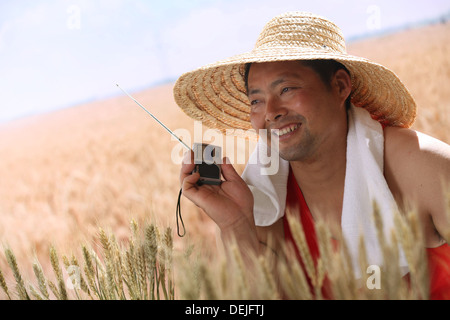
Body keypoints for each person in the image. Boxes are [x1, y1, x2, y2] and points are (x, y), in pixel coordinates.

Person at [173, 12, 450, 299]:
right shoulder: (261, 205)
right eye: (256, 100)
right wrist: (235, 225)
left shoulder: (420, 164)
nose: (270, 112)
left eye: (287, 89)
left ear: (340, 86)